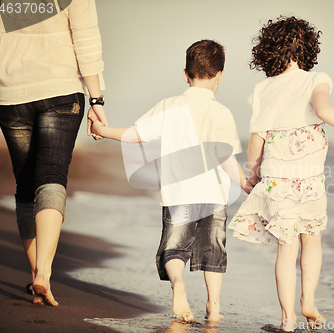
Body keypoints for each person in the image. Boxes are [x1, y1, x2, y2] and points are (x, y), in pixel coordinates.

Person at [228, 16, 334, 331]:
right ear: (307, 49)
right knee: (311, 241)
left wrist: (253, 175)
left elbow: (257, 139)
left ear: (268, 52)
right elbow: (326, 111)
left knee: (287, 248)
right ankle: (308, 300)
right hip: (310, 181)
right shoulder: (316, 79)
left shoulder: (262, 90)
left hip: (275, 180)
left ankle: (287, 318)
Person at [89, 39, 253, 322]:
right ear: (220, 75)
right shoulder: (222, 113)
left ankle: (178, 285)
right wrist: (245, 183)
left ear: (186, 74)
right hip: (213, 196)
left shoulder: (170, 105)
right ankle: (214, 307)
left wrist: (103, 130)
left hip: (178, 194)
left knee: (174, 248)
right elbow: (225, 158)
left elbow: (136, 135)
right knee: (214, 252)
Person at [0, 0, 107, 306]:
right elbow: (86, 39)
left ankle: (36, 275)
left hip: (11, 92)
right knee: (52, 176)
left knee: (25, 186)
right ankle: (44, 272)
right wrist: (97, 100)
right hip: (61, 88)